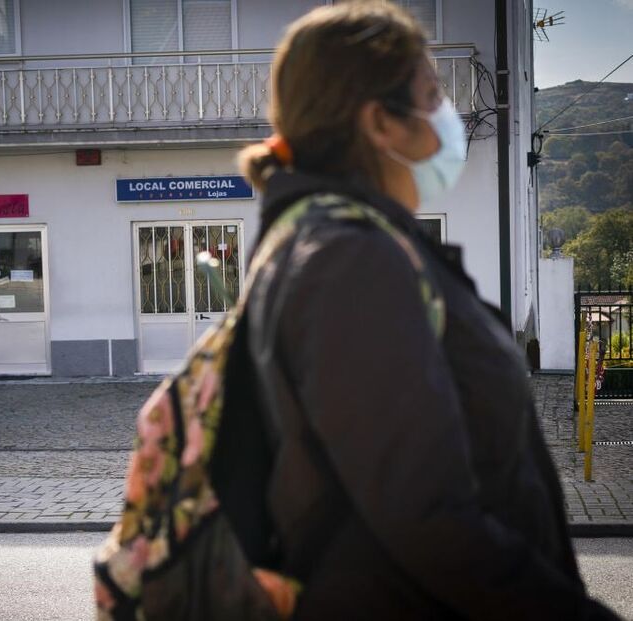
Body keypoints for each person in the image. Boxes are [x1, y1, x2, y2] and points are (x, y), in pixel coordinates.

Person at [213, 2, 620, 618]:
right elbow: (426, 514)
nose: (447, 114)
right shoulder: (347, 262)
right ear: (379, 122)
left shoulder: (335, 246)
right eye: (432, 92)